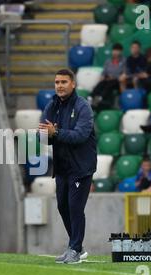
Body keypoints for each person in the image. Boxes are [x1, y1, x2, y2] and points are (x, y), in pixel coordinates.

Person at [38, 69, 97, 264]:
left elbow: (80, 136)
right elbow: (43, 136)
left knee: (75, 207)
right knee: (63, 207)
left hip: (81, 167)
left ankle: (74, 249)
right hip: (63, 167)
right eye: (57, 82)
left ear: (73, 84)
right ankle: (76, 247)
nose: (60, 86)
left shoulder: (83, 107)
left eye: (64, 82)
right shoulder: (51, 106)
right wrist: (47, 135)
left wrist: (56, 132)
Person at [88, 43, 126, 108]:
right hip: (107, 79)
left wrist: (115, 77)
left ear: (121, 52)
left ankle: (100, 98)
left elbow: (124, 73)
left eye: (117, 51)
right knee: (101, 83)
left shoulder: (124, 61)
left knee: (110, 84)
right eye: (114, 50)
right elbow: (104, 72)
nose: (115, 52)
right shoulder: (108, 61)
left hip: (116, 80)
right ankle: (90, 97)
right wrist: (103, 77)